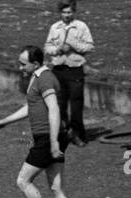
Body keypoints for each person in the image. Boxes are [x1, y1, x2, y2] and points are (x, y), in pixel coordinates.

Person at [0, 45, 72, 198]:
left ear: (35, 63)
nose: (20, 67)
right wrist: (4, 122)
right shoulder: (37, 78)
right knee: (56, 186)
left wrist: (52, 142)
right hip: (51, 137)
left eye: (23, 64)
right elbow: (31, 107)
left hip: (48, 138)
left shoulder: (45, 79)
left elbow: (54, 110)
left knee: (23, 180)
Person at [43, 1, 94, 147]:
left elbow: (90, 46)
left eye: (69, 12)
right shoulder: (55, 27)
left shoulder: (81, 26)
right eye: (64, 12)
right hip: (58, 70)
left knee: (76, 104)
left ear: (74, 12)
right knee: (60, 104)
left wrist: (74, 45)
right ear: (60, 13)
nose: (67, 15)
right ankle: (64, 133)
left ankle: (78, 134)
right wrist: (58, 50)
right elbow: (47, 47)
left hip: (75, 70)